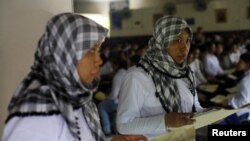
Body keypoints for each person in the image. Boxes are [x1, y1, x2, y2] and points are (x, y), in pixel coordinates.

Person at [2, 13, 147, 141]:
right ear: (64, 56)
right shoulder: (36, 117)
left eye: (98, 51)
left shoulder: (79, 100)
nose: (99, 60)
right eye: (91, 51)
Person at [116, 16, 203, 139]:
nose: (185, 47)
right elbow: (124, 125)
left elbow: (194, 106)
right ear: (161, 42)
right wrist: (165, 121)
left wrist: (210, 115)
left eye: (187, 40)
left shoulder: (186, 74)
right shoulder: (137, 76)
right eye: (177, 40)